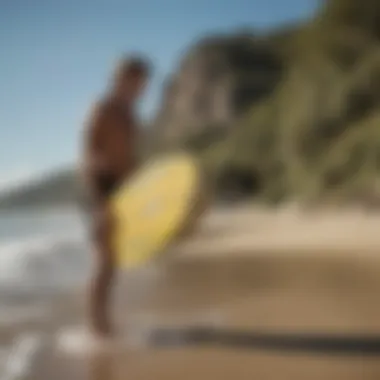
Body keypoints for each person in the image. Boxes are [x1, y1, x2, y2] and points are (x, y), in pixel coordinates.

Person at [80, 55, 150, 339]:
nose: (140, 91)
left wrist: (144, 190)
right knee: (104, 261)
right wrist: (100, 200)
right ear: (120, 80)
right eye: (135, 83)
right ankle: (96, 328)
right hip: (99, 189)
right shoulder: (103, 108)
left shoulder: (131, 116)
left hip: (121, 192)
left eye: (143, 86)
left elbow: (130, 160)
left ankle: (102, 323)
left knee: (112, 263)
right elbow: (89, 154)